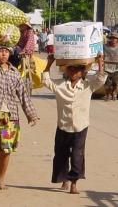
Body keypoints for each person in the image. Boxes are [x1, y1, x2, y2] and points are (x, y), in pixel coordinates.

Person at [0, 13, 38, 193]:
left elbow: (24, 96)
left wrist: (31, 115)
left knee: (6, 151)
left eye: (6, 51)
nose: (3, 54)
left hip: (11, 117)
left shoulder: (14, 74)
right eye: (0, 51)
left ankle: (1, 180)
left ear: (10, 54)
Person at [42, 53, 107, 194]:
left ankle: (73, 183)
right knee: (61, 154)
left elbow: (101, 79)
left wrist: (100, 62)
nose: (73, 73)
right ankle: (64, 179)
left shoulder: (87, 85)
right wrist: (49, 63)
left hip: (81, 126)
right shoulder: (60, 85)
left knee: (77, 156)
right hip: (63, 125)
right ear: (67, 70)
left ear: (82, 72)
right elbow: (46, 80)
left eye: (77, 70)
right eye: (71, 69)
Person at [103, 32, 118, 101]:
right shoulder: (105, 47)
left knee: (115, 83)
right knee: (107, 84)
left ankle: (114, 92)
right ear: (110, 39)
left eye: (115, 38)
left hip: (116, 68)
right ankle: (108, 95)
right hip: (107, 67)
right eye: (112, 38)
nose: (113, 40)